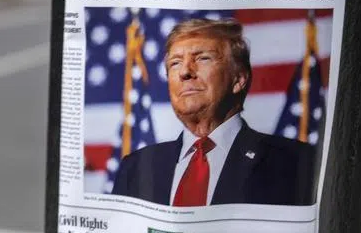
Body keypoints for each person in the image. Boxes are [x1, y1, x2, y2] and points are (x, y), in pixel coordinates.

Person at [110, 18, 317, 207]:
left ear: (238, 80)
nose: (185, 72)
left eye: (202, 59)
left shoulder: (296, 163)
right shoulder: (135, 167)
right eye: (175, 63)